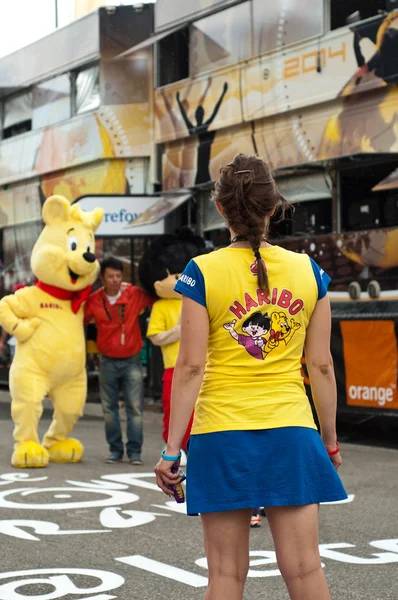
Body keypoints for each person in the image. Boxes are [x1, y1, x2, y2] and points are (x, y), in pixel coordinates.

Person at [155, 154, 347, 600]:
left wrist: (170, 451)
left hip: (221, 432)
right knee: (304, 571)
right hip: (292, 431)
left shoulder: (200, 272)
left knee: (225, 576)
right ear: (274, 206)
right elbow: (320, 366)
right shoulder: (309, 273)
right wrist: (330, 441)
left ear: (220, 209)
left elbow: (190, 367)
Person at [85, 257, 155, 465]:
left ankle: (135, 452)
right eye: (110, 276)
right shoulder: (95, 300)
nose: (115, 280)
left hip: (132, 360)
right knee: (109, 408)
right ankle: (115, 450)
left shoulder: (133, 294)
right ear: (102, 279)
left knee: (134, 408)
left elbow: (157, 295)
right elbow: (80, 318)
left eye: (118, 276)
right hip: (107, 361)